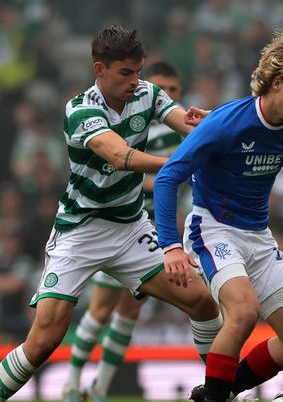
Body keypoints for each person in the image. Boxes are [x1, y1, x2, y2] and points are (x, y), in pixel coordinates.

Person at [0, 25, 222, 402]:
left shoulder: (148, 94)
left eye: (138, 72)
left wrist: (220, 127)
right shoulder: (80, 109)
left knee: (202, 303)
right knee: (43, 340)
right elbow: (118, 155)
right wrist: (171, 166)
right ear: (99, 69)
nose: (135, 81)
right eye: (125, 73)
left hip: (129, 229)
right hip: (80, 230)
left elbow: (187, 125)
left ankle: (221, 395)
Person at [154, 27, 283, 402]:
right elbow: (168, 178)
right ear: (277, 83)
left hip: (258, 235)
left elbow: (255, 126)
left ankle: (219, 393)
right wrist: (170, 246)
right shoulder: (224, 126)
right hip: (213, 229)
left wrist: (219, 118)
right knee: (244, 311)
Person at [62, 61, 194, 402]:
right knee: (102, 308)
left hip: (150, 231)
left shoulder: (175, 133)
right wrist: (169, 173)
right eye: (162, 88)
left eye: (175, 90)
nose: (169, 96)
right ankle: (71, 385)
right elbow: (125, 165)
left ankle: (100, 389)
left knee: (132, 309)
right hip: (119, 223)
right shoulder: (130, 128)